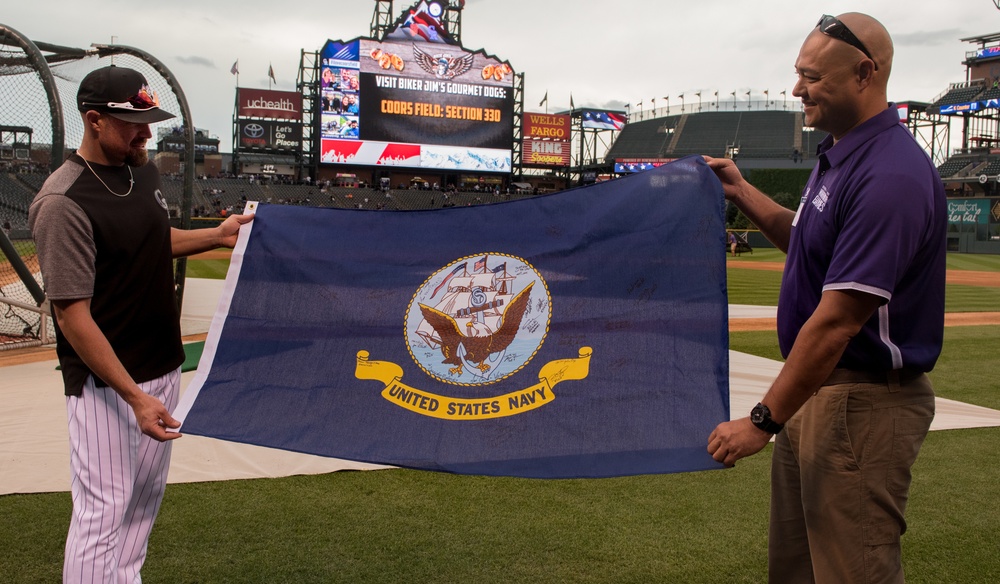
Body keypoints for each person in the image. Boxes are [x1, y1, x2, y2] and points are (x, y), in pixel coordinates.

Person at [705, 13, 946, 584]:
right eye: (797, 73)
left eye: (811, 77)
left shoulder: (890, 173)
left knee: (851, 572)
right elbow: (809, 239)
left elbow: (837, 321)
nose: (797, 90)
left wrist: (762, 420)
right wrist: (742, 191)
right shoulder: (845, 153)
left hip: (860, 405)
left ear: (865, 73)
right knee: (796, 571)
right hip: (820, 396)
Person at [28, 65, 253, 583]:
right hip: (109, 386)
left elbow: (151, 242)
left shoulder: (140, 171)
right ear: (94, 121)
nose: (147, 134)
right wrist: (133, 396)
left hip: (161, 369)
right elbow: (71, 316)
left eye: (150, 120)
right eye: (135, 123)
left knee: (140, 508)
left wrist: (216, 235)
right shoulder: (63, 201)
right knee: (103, 513)